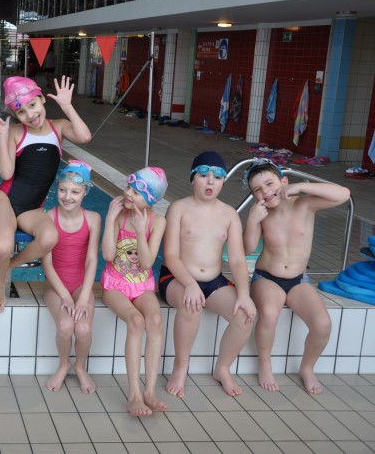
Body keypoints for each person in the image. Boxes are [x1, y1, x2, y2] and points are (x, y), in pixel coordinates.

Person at [0, 75, 92, 311]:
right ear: (15, 115)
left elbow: (85, 136)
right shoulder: (14, 132)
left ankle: (5, 267)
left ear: (42, 99)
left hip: (32, 208)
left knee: (50, 238)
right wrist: (2, 135)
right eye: (21, 112)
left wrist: (67, 106)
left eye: (32, 105)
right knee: (2, 246)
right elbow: (7, 174)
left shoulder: (58, 127)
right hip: (6, 200)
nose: (30, 114)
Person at [242, 158, 349, 394]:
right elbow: (247, 249)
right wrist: (252, 220)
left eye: (270, 184)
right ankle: (265, 365)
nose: (265, 192)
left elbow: (343, 194)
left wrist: (300, 187)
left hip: (299, 280)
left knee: (322, 324)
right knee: (270, 313)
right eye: (257, 190)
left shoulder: (304, 204)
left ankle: (307, 368)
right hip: (266, 278)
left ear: (284, 181)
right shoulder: (261, 214)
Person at [159, 151, 256, 398]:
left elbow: (237, 260)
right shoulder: (178, 208)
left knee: (245, 315)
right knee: (191, 305)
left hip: (214, 281)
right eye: (204, 175)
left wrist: (244, 294)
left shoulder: (229, 214)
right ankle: (181, 367)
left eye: (218, 176)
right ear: (193, 178)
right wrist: (190, 284)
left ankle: (223, 369)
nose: (211, 181)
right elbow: (170, 256)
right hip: (176, 278)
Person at [101, 166, 169, 415]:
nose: (128, 193)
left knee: (155, 320)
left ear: (151, 199)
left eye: (136, 192)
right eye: (128, 187)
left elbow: (147, 263)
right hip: (115, 284)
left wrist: (141, 231)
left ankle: (150, 391)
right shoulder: (119, 216)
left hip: (142, 285)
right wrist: (110, 220)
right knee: (136, 321)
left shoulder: (158, 222)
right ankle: (134, 395)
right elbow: (108, 255)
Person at [41, 160, 101, 394]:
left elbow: (92, 260)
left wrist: (84, 296)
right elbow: (47, 263)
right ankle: (64, 364)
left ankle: (80, 367)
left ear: (85, 192)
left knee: (83, 329)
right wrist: (65, 296)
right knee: (66, 325)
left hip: (81, 285)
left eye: (75, 192)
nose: (67, 197)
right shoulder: (48, 217)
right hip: (56, 287)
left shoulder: (93, 218)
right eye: (62, 190)